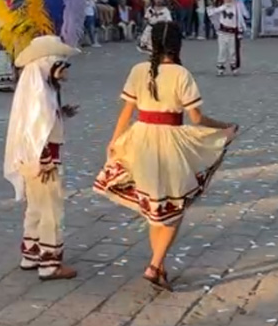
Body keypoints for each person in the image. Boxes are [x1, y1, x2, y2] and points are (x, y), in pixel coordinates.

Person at [94, 22, 237, 289]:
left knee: (155, 208)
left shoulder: (138, 70)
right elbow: (196, 118)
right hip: (170, 141)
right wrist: (223, 128)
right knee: (175, 205)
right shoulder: (181, 74)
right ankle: (154, 265)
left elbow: (127, 110)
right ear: (177, 44)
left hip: (141, 138)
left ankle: (160, 266)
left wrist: (114, 140)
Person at [5, 35, 81, 281]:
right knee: (51, 209)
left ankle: (32, 253)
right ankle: (49, 263)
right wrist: (46, 160)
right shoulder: (39, 93)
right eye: (63, 65)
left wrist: (62, 112)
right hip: (42, 160)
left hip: (31, 160)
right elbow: (37, 129)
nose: (66, 71)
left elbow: (41, 121)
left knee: (36, 206)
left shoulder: (38, 89)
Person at [208, 0, 249, 76]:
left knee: (232, 50)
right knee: (222, 50)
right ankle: (220, 66)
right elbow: (212, 13)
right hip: (222, 32)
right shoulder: (222, 7)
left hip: (233, 33)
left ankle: (233, 66)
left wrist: (240, 31)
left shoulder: (237, 7)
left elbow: (241, 19)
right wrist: (219, 8)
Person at [0, 22, 15, 92]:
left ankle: (7, 85)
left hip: (5, 50)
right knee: (1, 66)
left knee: (6, 66)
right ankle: (1, 85)